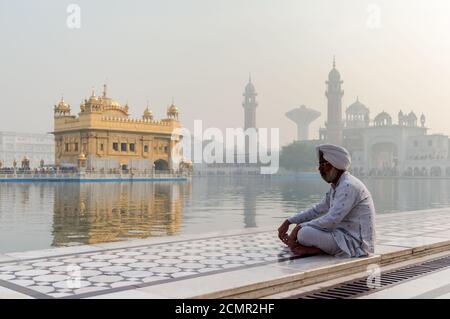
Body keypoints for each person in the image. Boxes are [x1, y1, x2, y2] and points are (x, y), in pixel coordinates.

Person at [278, 144, 376, 258]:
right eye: (320, 165)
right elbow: (317, 210)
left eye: (324, 164)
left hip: (354, 243)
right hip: (340, 235)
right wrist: (289, 221)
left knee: (303, 233)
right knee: (303, 231)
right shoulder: (337, 186)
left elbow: (332, 219)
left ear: (336, 165)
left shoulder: (348, 186)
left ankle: (319, 250)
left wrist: (298, 228)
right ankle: (319, 248)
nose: (320, 169)